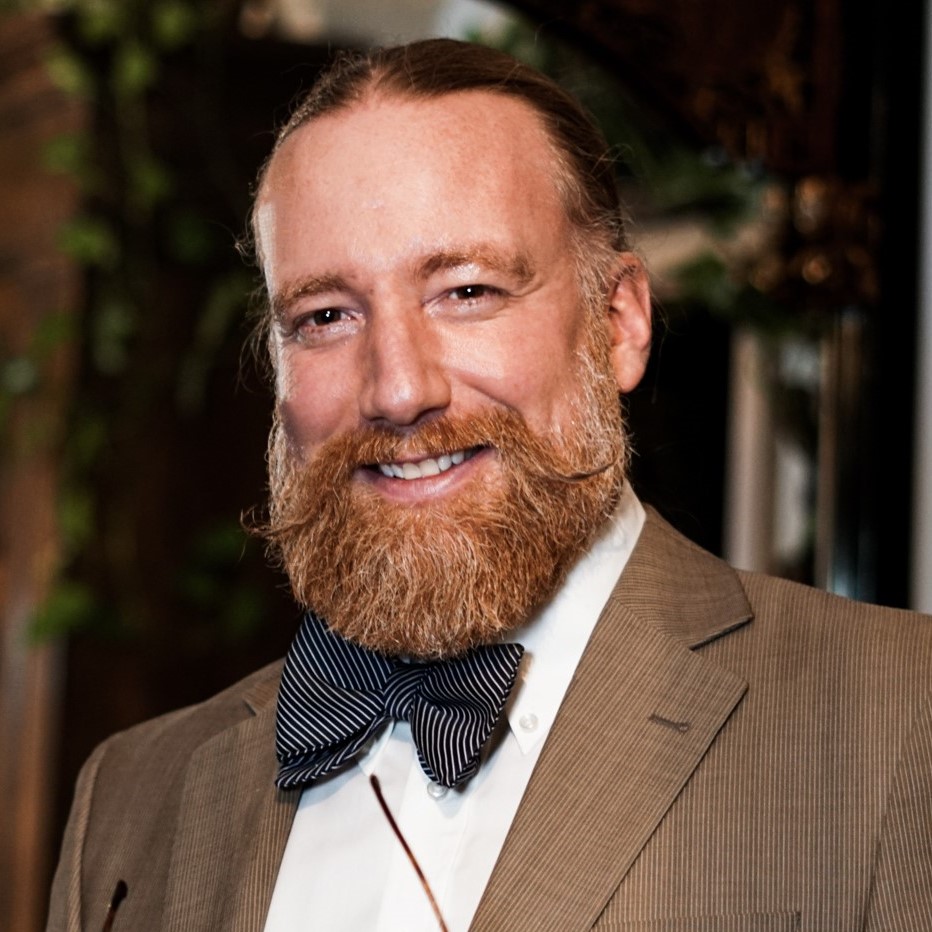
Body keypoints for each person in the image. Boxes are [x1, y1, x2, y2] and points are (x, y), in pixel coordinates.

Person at [48, 38, 932, 932]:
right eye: (325, 316)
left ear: (619, 322)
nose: (399, 389)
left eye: (467, 292)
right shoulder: (129, 800)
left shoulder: (899, 717)